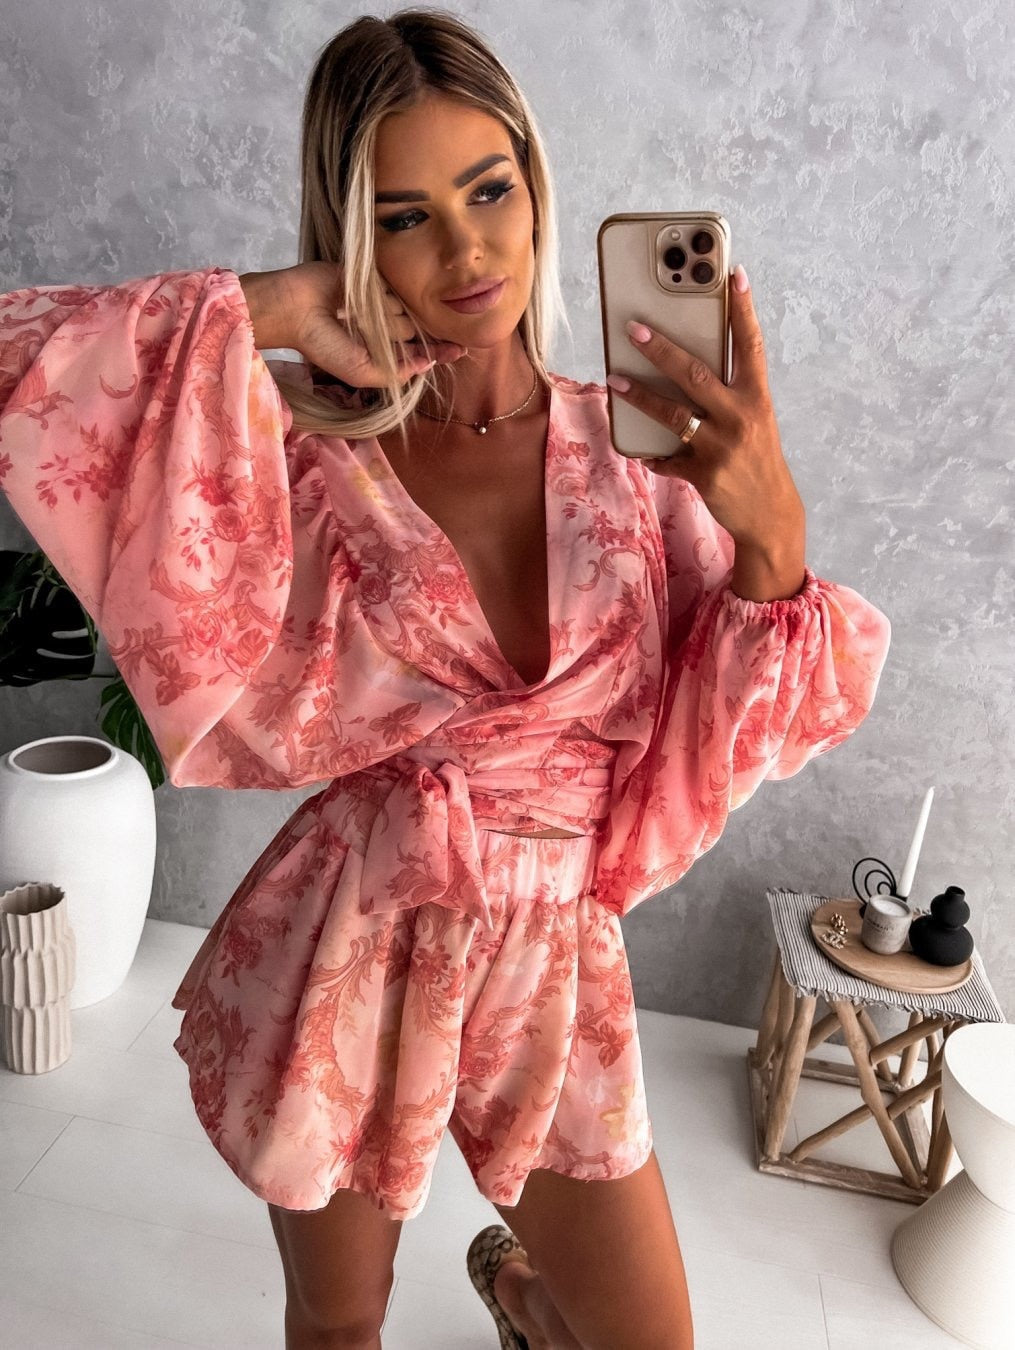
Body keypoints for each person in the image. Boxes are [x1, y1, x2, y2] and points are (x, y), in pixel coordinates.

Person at [0, 10, 891, 1349]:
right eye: (405, 217)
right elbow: (28, 374)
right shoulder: (299, 451)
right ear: (351, 237)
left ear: (537, 184)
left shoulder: (645, 462)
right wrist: (276, 307)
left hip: (555, 963)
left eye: (489, 190)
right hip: (355, 939)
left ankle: (525, 1297)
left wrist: (772, 537)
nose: (468, 251)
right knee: (338, 1325)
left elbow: (732, 730)